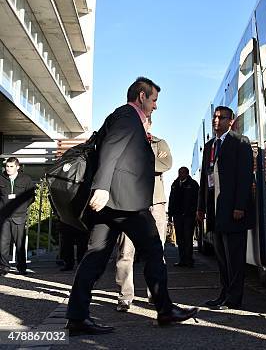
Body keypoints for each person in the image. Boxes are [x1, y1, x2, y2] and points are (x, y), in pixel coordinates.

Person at [65, 77, 197, 336]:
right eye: (154, 100)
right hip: (125, 203)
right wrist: (101, 187)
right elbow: (111, 149)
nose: (155, 106)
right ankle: (165, 310)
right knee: (153, 249)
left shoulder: (125, 117)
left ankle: (77, 316)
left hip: (112, 204)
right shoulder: (128, 116)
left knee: (95, 257)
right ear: (141, 96)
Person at [197, 106, 253, 310]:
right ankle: (223, 294)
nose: (216, 120)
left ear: (231, 121)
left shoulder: (240, 142)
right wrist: (200, 207)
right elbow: (205, 179)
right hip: (215, 211)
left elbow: (245, 177)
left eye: (221, 118)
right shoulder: (210, 145)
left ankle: (234, 299)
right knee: (221, 257)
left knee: (235, 258)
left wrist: (240, 206)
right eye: (215, 117)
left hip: (233, 210)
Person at [114, 116, 173, 312]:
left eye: (145, 121)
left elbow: (165, 164)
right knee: (125, 252)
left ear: (150, 124)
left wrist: (134, 163)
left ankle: (156, 295)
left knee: (156, 252)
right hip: (129, 202)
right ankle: (125, 296)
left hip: (155, 202)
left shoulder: (159, 142)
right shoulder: (122, 142)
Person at [0, 158, 35, 276]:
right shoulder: (1, 178)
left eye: (11, 166)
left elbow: (31, 196)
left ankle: (21, 267)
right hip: (4, 217)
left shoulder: (26, 179)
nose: (8, 169)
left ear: (17, 167)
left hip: (19, 216)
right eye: (7, 166)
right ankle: (4, 267)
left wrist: (22, 208)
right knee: (3, 243)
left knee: (19, 243)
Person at [168, 167, 199, 268]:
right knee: (180, 239)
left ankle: (189, 260)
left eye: (182, 172)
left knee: (188, 239)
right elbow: (171, 199)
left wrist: (194, 213)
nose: (180, 174)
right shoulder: (175, 184)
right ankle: (182, 260)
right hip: (177, 216)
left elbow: (196, 201)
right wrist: (170, 214)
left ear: (187, 173)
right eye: (179, 172)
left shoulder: (193, 184)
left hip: (189, 216)